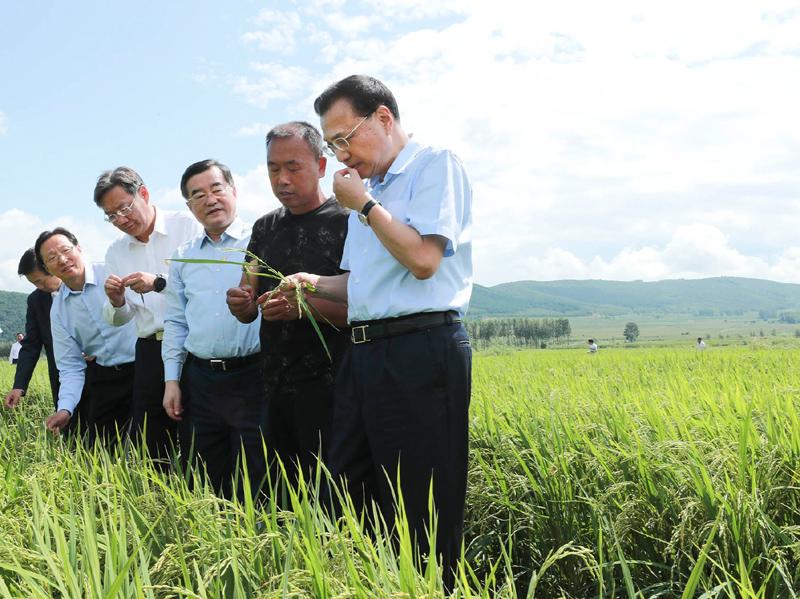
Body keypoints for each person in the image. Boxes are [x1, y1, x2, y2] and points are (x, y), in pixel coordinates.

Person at [281, 75, 473, 586]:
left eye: (346, 138)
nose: (342, 152)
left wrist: (365, 206)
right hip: (363, 353)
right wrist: (311, 282)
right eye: (333, 144)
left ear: (383, 118)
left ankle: (433, 588)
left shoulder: (434, 165)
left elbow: (424, 260)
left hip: (421, 346)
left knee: (423, 500)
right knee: (350, 489)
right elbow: (360, 284)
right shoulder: (367, 193)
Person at [226, 121, 350, 493]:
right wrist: (241, 303)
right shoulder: (265, 228)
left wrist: (304, 308)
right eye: (273, 169)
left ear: (321, 166)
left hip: (333, 386)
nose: (282, 179)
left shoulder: (347, 222)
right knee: (280, 492)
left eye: (293, 167)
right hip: (273, 385)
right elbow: (247, 302)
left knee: (331, 490)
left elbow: (364, 307)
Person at [162, 159, 263, 500]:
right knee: (205, 477)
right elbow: (176, 321)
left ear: (233, 191)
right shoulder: (183, 257)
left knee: (257, 475)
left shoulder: (260, 240)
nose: (210, 199)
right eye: (198, 195)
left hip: (254, 375)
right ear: (189, 206)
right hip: (202, 380)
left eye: (217, 188)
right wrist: (172, 381)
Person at [96, 166, 201, 464]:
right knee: (152, 436)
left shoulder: (186, 226)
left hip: (193, 344)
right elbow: (121, 317)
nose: (120, 220)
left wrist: (158, 282)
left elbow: (203, 284)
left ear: (143, 193)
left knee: (197, 428)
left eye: (124, 208)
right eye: (111, 216)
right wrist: (116, 301)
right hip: (150, 350)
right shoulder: (116, 252)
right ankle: (157, 490)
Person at [34, 228, 137, 446]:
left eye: (65, 250)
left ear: (79, 248)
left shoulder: (111, 272)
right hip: (107, 377)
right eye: (52, 258)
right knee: (102, 448)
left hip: (145, 366)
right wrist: (65, 408)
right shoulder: (58, 311)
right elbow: (70, 366)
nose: (62, 259)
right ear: (47, 268)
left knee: (155, 442)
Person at [5, 250, 61, 408]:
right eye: (34, 283)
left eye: (40, 281)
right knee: (67, 422)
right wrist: (19, 386)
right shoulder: (36, 300)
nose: (39, 287)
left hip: (97, 374)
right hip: (61, 378)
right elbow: (31, 345)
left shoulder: (83, 289)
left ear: (51, 268)